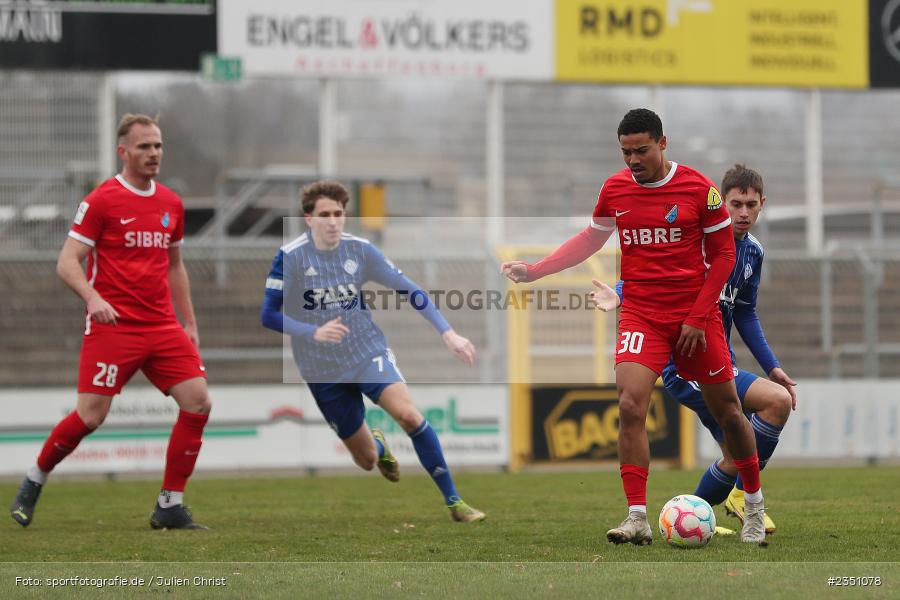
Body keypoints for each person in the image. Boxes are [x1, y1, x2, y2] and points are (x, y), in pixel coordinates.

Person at [501, 109, 767, 544]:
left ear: (663, 144)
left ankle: (754, 506)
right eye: (626, 152)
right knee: (628, 405)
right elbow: (589, 239)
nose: (633, 160)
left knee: (730, 413)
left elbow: (723, 257)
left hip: (694, 320)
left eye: (641, 150)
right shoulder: (615, 189)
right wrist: (537, 270)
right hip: (642, 314)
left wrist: (700, 316)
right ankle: (637, 516)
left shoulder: (700, 190)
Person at [9, 114, 211, 530]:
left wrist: (188, 321)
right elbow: (66, 262)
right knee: (91, 416)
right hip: (114, 326)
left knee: (198, 402)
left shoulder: (171, 203)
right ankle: (35, 477)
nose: (154, 153)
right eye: (144, 147)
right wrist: (93, 297)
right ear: (124, 152)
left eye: (158, 146)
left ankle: (170, 505)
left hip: (161, 327)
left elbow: (175, 266)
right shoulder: (102, 200)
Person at [260, 180, 485, 523]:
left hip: (365, 350)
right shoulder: (290, 257)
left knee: (409, 415)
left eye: (338, 213)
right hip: (321, 368)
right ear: (309, 219)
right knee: (365, 460)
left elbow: (409, 289)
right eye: (324, 215)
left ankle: (455, 502)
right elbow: (269, 315)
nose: (333, 221)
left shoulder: (361, 250)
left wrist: (448, 333)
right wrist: (312, 332)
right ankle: (378, 446)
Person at [591, 164, 796, 535]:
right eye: (736, 204)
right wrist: (618, 294)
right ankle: (737, 497)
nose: (744, 213)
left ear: (763, 204)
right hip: (681, 362)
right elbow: (652, 275)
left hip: (718, 359)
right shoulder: (699, 239)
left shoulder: (752, 254)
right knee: (776, 403)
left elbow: (746, 313)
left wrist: (773, 365)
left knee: (736, 455)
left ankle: (699, 515)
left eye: (751, 205)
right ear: (720, 202)